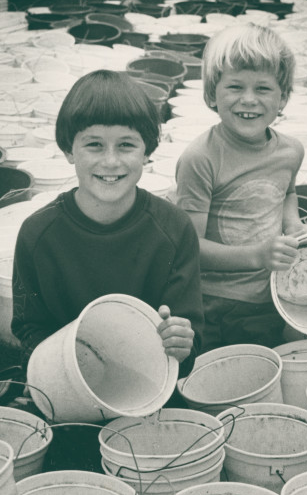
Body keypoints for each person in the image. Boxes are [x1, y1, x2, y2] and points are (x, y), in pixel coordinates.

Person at [11, 69, 204, 379]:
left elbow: (189, 341)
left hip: (148, 383)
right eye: (95, 145)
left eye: (126, 145)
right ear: (68, 150)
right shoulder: (37, 235)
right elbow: (29, 327)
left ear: (147, 151)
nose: (111, 161)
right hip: (62, 380)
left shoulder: (175, 230)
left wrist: (181, 343)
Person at [174, 23, 307, 350]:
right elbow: (189, 246)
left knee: (260, 371)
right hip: (212, 302)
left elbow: (287, 192)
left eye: (263, 89)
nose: (248, 100)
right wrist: (257, 256)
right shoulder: (200, 158)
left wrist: (292, 224)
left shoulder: (290, 151)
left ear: (283, 97)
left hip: (269, 295)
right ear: (211, 94)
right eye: (235, 86)